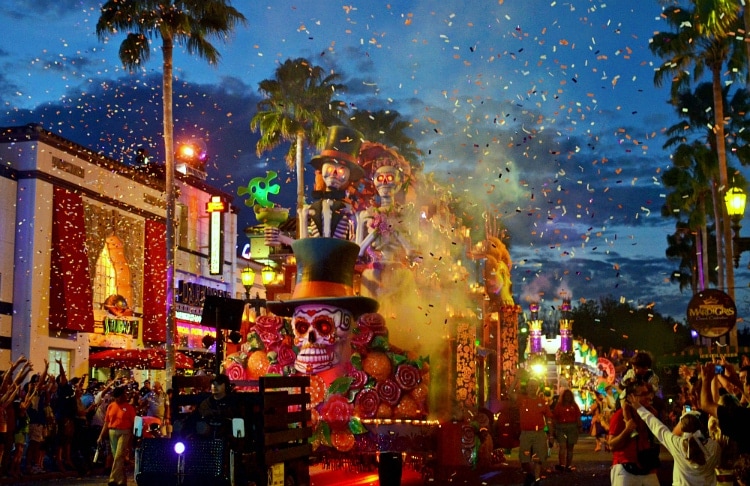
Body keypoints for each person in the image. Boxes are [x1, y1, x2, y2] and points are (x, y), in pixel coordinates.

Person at [627, 392, 719, 485]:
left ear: (683, 427)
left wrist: (638, 407)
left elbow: (656, 425)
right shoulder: (714, 447)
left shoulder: (678, 444)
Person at [609, 380, 661, 485]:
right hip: (626, 469)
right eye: (643, 394)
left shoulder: (650, 414)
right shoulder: (620, 415)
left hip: (648, 467)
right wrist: (627, 430)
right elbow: (611, 445)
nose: (648, 397)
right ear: (631, 397)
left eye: (648, 393)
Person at [512, 377, 553, 486]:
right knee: (524, 459)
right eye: (530, 386)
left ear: (537, 388)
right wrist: (517, 378)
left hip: (539, 433)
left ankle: (537, 479)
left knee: (538, 458)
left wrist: (551, 435)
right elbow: (510, 393)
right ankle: (531, 475)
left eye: (534, 386)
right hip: (525, 433)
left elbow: (549, 419)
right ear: (527, 387)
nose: (532, 388)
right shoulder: (522, 400)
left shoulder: (542, 402)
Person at [98, 385, 136, 486]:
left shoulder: (129, 408)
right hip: (112, 432)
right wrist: (101, 435)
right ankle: (122, 481)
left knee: (119, 455)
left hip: (125, 432)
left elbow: (133, 423)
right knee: (117, 458)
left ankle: (113, 479)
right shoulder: (111, 406)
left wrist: (132, 438)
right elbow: (106, 422)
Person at [551, 388, 582, 472]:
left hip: (572, 427)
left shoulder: (574, 406)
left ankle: (568, 465)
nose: (567, 397)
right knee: (562, 446)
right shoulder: (559, 406)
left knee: (570, 447)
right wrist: (553, 428)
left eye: (569, 396)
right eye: (566, 396)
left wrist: (579, 426)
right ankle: (562, 464)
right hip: (561, 428)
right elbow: (555, 417)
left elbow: (578, 416)